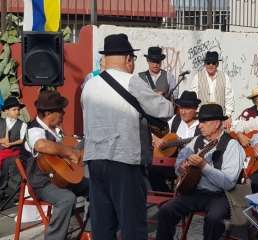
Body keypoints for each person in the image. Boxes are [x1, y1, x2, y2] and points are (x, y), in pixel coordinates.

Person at [81, 34, 173, 240]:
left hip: (94, 160)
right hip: (125, 161)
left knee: (103, 225)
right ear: (128, 59)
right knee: (132, 225)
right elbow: (164, 110)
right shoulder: (133, 81)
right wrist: (159, 98)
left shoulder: (89, 85)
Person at [156, 103, 244, 240]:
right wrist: (181, 168)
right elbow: (180, 160)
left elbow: (229, 183)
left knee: (214, 220)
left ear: (216, 123)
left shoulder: (232, 145)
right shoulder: (196, 140)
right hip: (195, 192)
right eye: (200, 121)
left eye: (204, 122)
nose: (199, 125)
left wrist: (204, 166)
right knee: (165, 211)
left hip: (220, 195)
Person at [21, 90, 88, 240]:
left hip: (61, 179)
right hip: (42, 184)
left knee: (96, 186)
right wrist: (70, 153)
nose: (64, 113)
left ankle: (89, 230)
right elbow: (42, 145)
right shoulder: (34, 130)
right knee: (66, 199)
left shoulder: (55, 130)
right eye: (61, 110)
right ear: (49, 113)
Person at [150, 91, 201, 192]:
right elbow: (155, 132)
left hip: (191, 168)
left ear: (195, 109)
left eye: (187, 108)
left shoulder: (202, 125)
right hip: (171, 164)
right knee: (152, 170)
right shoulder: (175, 120)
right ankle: (166, 199)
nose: (183, 112)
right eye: (181, 108)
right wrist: (157, 140)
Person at [191, 51, 234, 129]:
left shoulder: (225, 77)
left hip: (220, 118)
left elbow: (229, 97)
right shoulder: (197, 77)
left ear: (217, 64)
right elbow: (194, 98)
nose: (211, 65)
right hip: (203, 118)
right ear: (205, 64)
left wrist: (228, 115)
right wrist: (197, 114)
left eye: (213, 63)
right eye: (208, 63)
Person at [0, 97, 27, 199]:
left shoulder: (22, 124)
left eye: (18, 110)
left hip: (14, 151)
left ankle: (12, 193)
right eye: (14, 110)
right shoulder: (1, 122)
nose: (17, 112)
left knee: (11, 164)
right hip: (1, 151)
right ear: (6, 111)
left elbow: (21, 139)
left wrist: (11, 144)